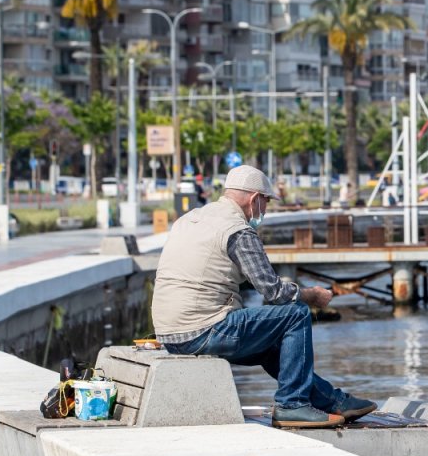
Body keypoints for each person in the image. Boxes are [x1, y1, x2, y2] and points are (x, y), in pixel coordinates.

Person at [152, 165, 375, 429]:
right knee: (295, 314)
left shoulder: (191, 218)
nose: (266, 210)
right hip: (202, 331)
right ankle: (292, 405)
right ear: (255, 199)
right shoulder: (238, 231)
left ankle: (332, 401)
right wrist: (312, 295)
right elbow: (274, 292)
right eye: (266, 202)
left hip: (169, 334)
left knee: (273, 342)